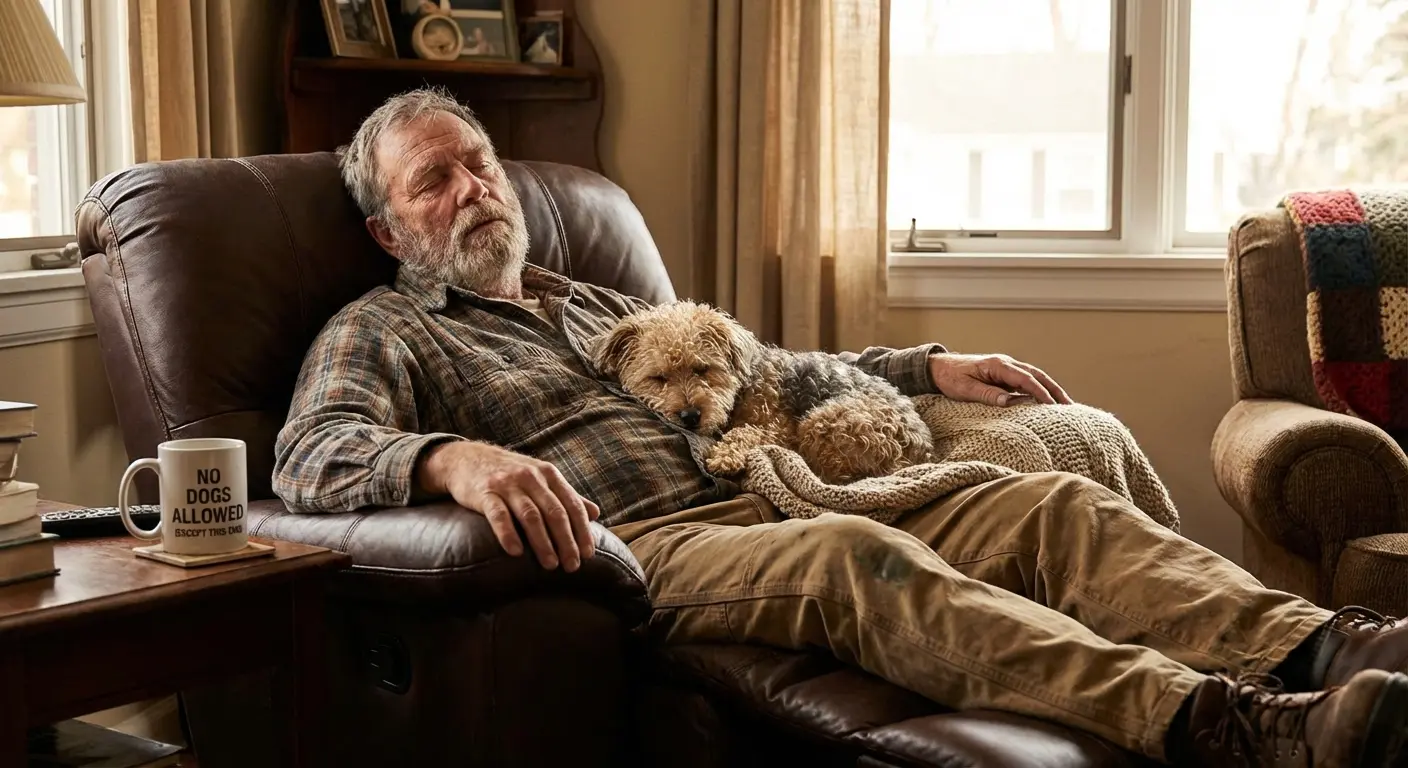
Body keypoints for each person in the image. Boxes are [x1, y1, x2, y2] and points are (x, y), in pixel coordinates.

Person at [272, 87, 1408, 766]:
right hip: (651, 548)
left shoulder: (594, 302)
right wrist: (454, 458)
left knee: (1043, 502)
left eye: (479, 163)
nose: (474, 187)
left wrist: (927, 365)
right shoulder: (384, 328)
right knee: (858, 558)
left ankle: (1329, 646)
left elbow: (775, 370)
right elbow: (310, 456)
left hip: (776, 485)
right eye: (434, 180)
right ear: (388, 231)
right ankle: (1236, 731)